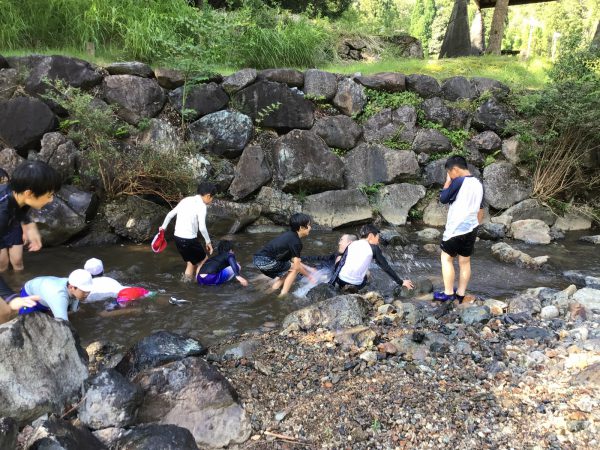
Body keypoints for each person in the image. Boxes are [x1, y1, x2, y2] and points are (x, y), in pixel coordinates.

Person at [0, 161, 62, 311]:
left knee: (5, 312)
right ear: (28, 193)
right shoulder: (2, 214)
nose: (51, 200)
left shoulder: (13, 191)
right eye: (49, 195)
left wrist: (29, 224)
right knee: (5, 310)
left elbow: (17, 207)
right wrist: (11, 298)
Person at [434, 155, 484, 303]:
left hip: (456, 229)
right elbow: (481, 208)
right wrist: (476, 225)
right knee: (465, 261)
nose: (449, 176)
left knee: (446, 258)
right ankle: (461, 294)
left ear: (455, 169)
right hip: (472, 228)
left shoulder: (458, 181)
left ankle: (448, 293)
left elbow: (443, 198)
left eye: (449, 173)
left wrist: (447, 182)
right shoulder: (478, 183)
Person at [330, 224, 414, 292]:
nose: (378, 241)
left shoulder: (352, 244)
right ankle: (363, 290)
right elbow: (386, 267)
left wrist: (332, 282)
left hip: (340, 280)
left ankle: (341, 288)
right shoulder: (373, 248)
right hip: (356, 285)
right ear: (370, 236)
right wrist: (401, 282)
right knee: (368, 273)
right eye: (377, 237)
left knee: (341, 259)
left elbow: (341, 263)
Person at [160, 182, 216, 282]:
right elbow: (202, 228)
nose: (212, 200)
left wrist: (163, 227)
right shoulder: (202, 206)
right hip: (189, 240)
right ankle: (198, 282)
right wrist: (208, 242)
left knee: (190, 262)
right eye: (212, 198)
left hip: (177, 238)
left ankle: (185, 283)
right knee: (203, 260)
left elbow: (170, 214)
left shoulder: (185, 200)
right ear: (208, 196)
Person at [253, 213, 316, 297]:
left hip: (258, 259)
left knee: (287, 271)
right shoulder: (296, 242)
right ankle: (283, 294)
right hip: (266, 261)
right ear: (301, 227)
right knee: (294, 270)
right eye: (308, 225)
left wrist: (309, 268)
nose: (310, 227)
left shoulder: (289, 235)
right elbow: (297, 266)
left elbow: (292, 260)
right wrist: (309, 276)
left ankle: (271, 291)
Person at [17, 269, 93, 321]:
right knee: (27, 321)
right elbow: (63, 324)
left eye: (88, 290)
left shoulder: (73, 284)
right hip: (30, 297)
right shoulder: (59, 297)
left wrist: (74, 310)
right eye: (84, 290)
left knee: (72, 312)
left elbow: (73, 310)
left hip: (45, 291)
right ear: (71, 287)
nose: (87, 293)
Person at [0, 168, 25, 272]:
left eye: (5, 182)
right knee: (2, 265)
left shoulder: (13, 194)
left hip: (13, 227)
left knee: (17, 261)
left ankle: (19, 281)